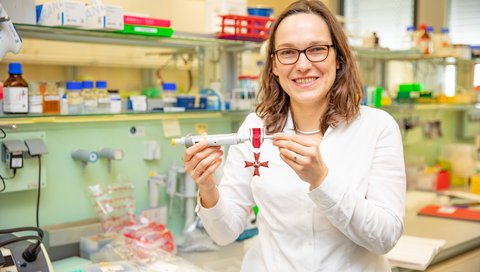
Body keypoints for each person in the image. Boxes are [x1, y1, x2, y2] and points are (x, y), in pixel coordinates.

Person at [183, 0, 406, 271]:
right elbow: (224, 233)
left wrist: (321, 180)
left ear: (338, 59)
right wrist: (208, 188)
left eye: (316, 50)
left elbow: (385, 237)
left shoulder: (377, 127)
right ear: (274, 65)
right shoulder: (255, 129)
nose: (302, 65)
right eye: (288, 53)